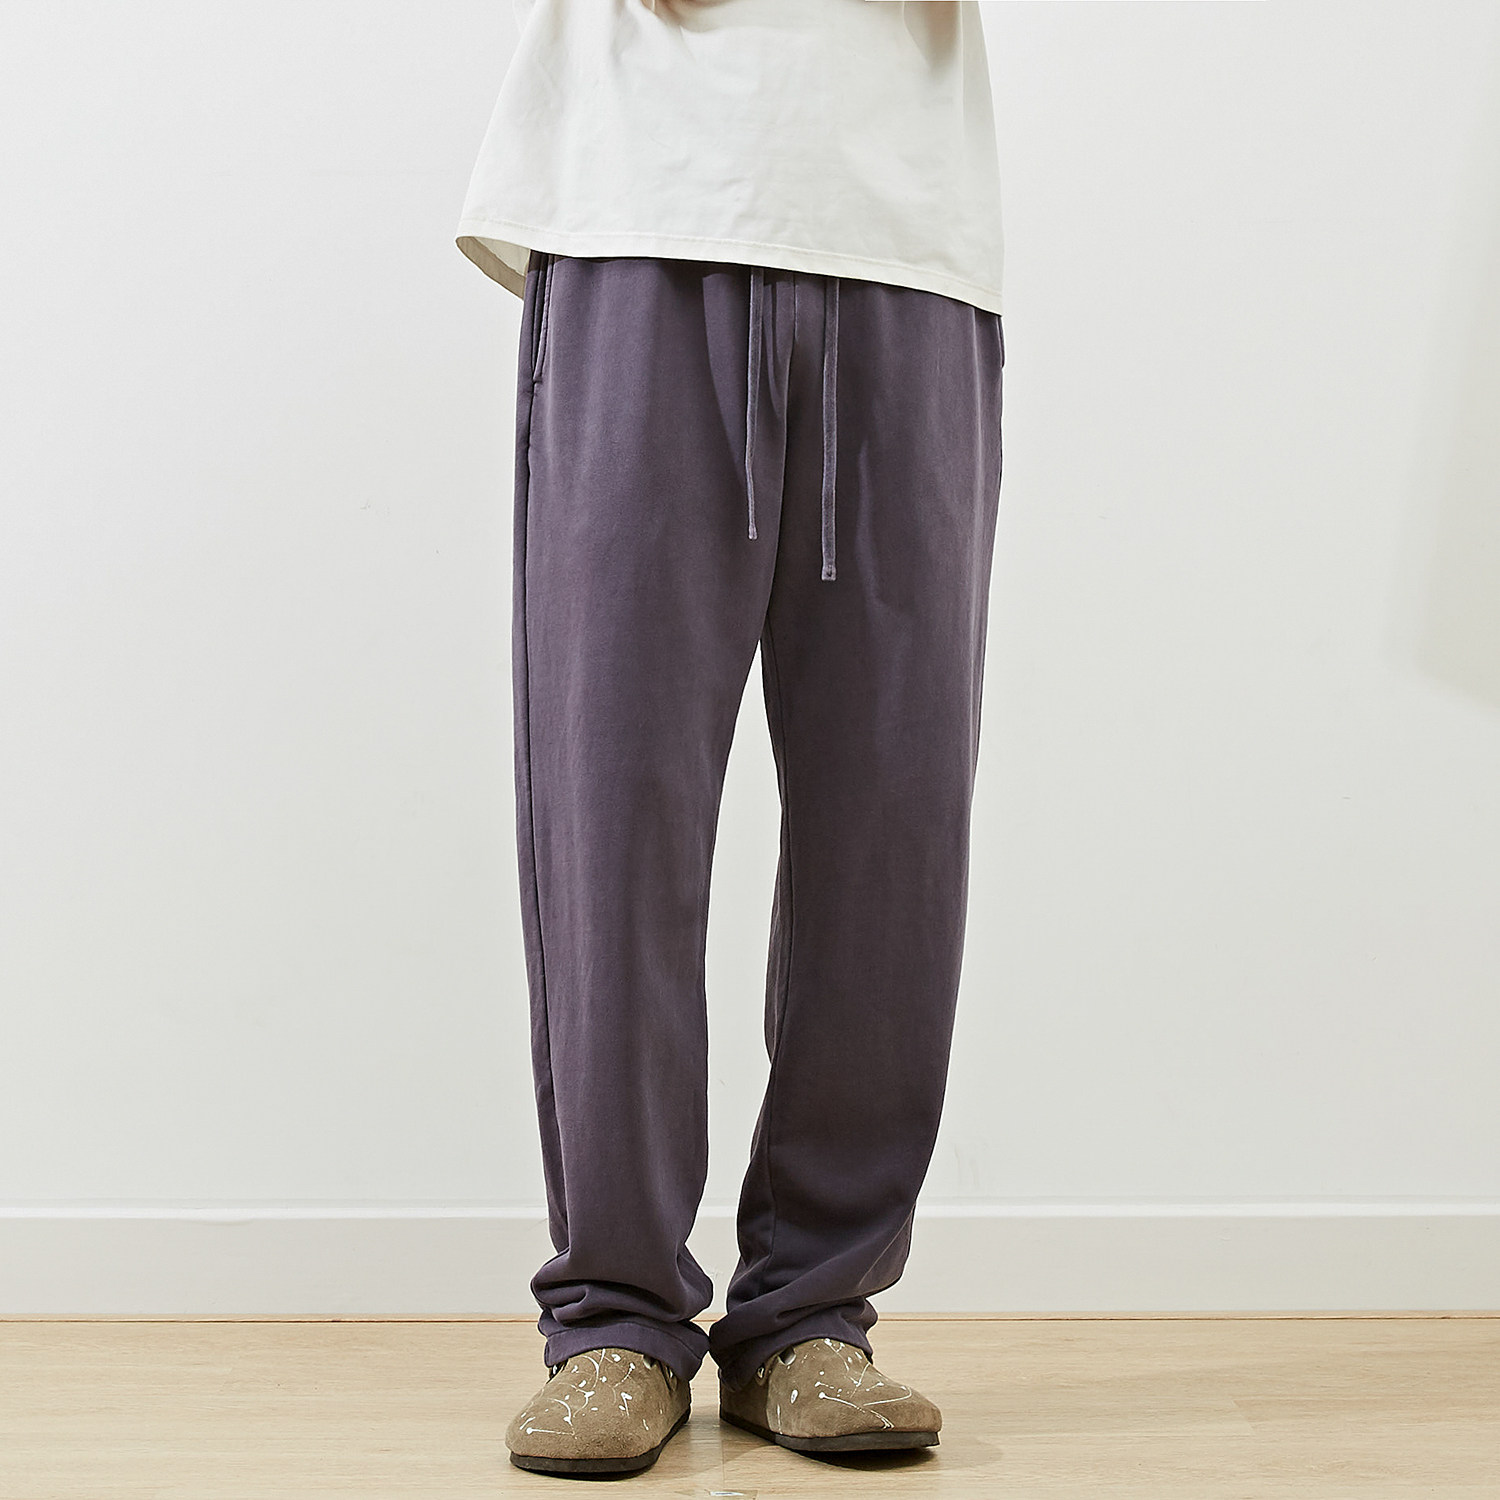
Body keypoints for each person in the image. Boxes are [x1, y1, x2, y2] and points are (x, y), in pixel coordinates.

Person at [453, 0, 1006, 1477]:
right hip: (642, 217)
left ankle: (812, 1314)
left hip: (904, 245)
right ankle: (617, 1315)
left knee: (894, 826)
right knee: (613, 808)